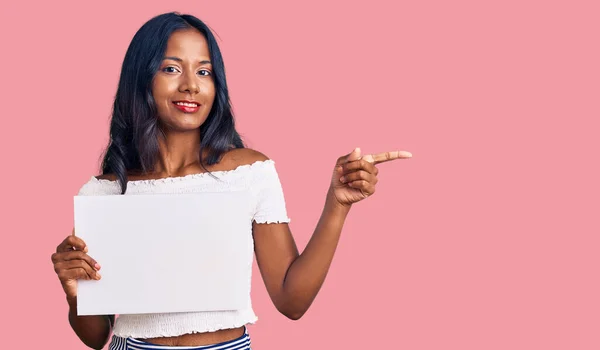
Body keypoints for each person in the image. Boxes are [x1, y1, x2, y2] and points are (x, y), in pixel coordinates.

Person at [51, 12, 412, 350]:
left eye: (204, 72)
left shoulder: (249, 174)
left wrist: (337, 205)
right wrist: (73, 291)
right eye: (171, 68)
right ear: (141, 78)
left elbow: (291, 301)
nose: (191, 85)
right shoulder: (103, 192)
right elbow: (97, 336)